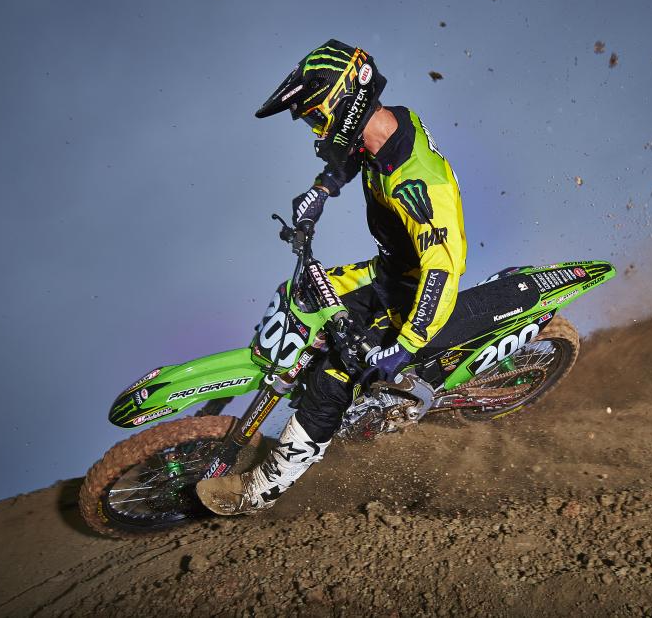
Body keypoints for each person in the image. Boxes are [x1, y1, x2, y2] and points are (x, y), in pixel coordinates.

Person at [196, 39, 467, 516]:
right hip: (388, 272)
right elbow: (353, 153)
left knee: (333, 380)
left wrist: (402, 347)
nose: (316, 131)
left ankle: (258, 490)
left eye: (316, 118)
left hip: (412, 295)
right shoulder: (390, 125)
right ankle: (219, 413)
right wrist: (323, 190)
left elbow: (442, 272)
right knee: (299, 296)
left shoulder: (418, 184)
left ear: (345, 101)